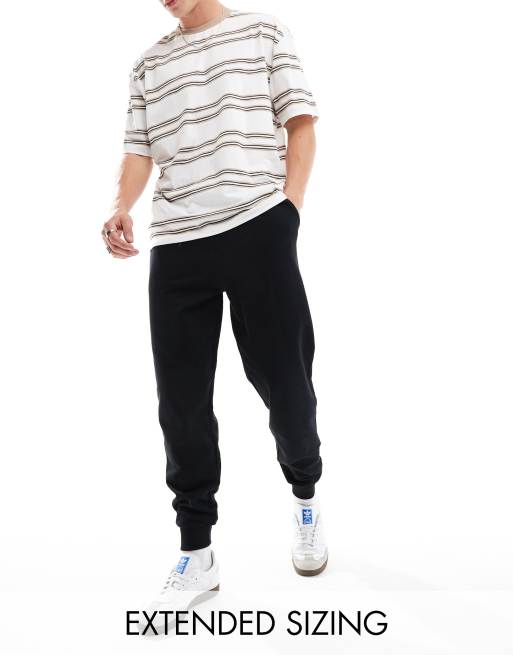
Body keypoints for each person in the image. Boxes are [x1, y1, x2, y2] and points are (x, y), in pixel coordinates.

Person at [101, 0, 328, 625]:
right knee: (180, 403)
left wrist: (289, 212)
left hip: (259, 225)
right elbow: (139, 150)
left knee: (286, 384)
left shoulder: (263, 31)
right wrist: (121, 205)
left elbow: (301, 122)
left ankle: (305, 494)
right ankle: (196, 552)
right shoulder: (148, 64)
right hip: (178, 245)